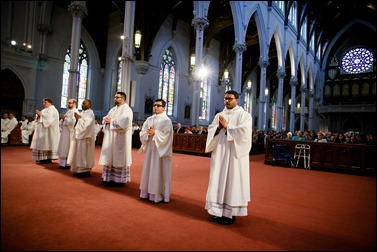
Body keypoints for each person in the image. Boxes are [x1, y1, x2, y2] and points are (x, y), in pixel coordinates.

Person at [205, 90, 252, 225]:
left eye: (230, 99)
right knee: (218, 179)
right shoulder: (219, 115)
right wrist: (219, 128)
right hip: (220, 153)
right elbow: (211, 130)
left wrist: (228, 127)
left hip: (234, 155)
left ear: (237, 100)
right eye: (225, 99)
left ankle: (230, 214)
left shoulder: (244, 115)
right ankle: (218, 211)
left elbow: (245, 133)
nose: (227, 101)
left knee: (233, 181)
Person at [138, 99, 174, 203]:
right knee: (149, 169)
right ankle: (146, 193)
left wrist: (155, 133)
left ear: (164, 108)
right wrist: (147, 133)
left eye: (158, 105)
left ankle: (158, 195)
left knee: (158, 171)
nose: (156, 107)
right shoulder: (149, 119)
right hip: (151, 147)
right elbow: (143, 132)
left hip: (160, 150)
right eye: (154, 105)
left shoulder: (167, 121)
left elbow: (167, 136)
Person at [98, 91, 133, 186]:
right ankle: (108, 178)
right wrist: (105, 120)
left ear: (123, 99)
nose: (115, 99)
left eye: (117, 97)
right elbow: (107, 118)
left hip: (120, 138)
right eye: (115, 97)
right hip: (110, 138)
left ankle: (119, 180)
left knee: (119, 157)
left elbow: (126, 122)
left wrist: (112, 121)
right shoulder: (113, 109)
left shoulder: (127, 109)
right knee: (110, 156)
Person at [67, 99, 96, 177]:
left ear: (89, 105)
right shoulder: (82, 112)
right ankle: (79, 169)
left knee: (84, 153)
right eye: (82, 103)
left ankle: (85, 171)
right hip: (80, 136)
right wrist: (78, 119)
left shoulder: (90, 113)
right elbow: (77, 124)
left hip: (86, 137)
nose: (82, 104)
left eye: (84, 103)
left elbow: (87, 124)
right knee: (78, 153)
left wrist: (79, 118)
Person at [30, 97, 60, 164]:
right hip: (43, 130)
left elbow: (49, 119)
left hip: (48, 131)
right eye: (43, 102)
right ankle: (42, 158)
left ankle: (47, 158)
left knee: (46, 143)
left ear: (50, 103)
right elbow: (40, 117)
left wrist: (40, 114)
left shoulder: (53, 110)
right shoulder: (45, 110)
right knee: (43, 144)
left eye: (45, 102)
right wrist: (39, 115)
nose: (43, 103)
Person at [57, 99, 79, 169]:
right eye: (68, 103)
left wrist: (65, 119)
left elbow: (73, 122)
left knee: (68, 147)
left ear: (74, 103)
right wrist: (63, 119)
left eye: (70, 103)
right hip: (65, 132)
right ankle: (63, 163)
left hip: (70, 133)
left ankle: (68, 164)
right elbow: (62, 122)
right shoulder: (68, 112)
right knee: (64, 147)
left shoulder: (75, 111)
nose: (68, 104)